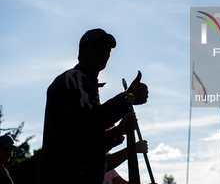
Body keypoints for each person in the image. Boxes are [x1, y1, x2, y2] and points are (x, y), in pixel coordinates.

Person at [36, 28, 149, 184]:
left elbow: (88, 143)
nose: (103, 53)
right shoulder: (73, 79)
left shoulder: (87, 86)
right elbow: (81, 128)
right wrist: (127, 98)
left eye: (107, 50)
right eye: (97, 47)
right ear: (81, 51)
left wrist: (119, 131)